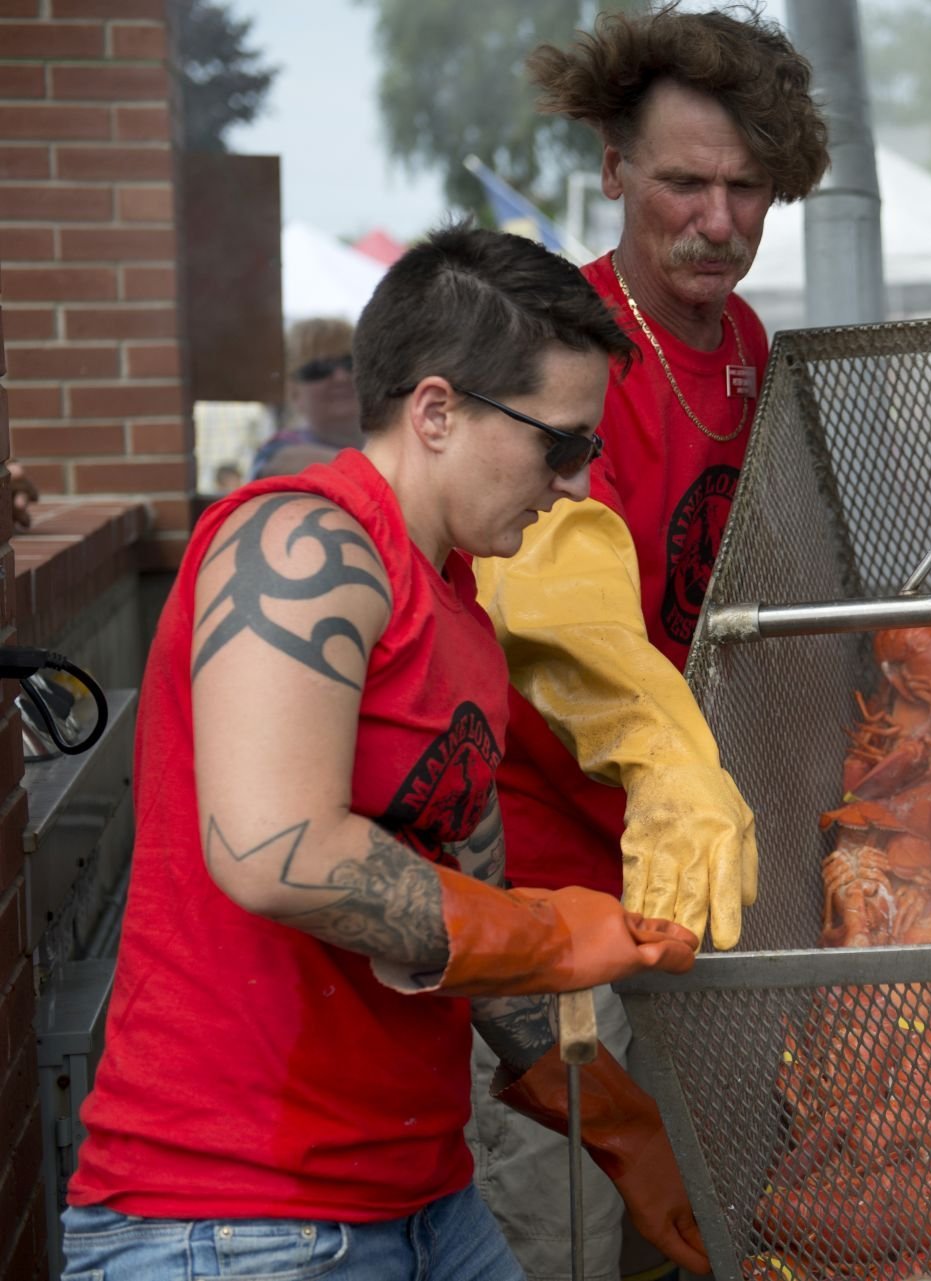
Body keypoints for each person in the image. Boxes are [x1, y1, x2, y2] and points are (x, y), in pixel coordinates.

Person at [60, 226, 709, 1279]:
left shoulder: (460, 616)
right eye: (561, 444)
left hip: (419, 1202)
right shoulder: (298, 545)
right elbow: (275, 851)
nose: (579, 487)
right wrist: (549, 932)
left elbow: (472, 914)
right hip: (232, 1220)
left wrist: (621, 1129)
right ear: (439, 410)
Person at [462, 12, 831, 1277]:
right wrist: (675, 772)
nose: (717, 221)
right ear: (614, 167)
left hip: (693, 896)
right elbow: (561, 609)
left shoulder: (747, 350)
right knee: (556, 1233)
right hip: (545, 901)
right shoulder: (558, 348)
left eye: (747, 189)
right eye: (684, 181)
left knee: (690, 1229)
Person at [252, 317, 364, 478]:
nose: (341, 377)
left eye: (350, 363)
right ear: (293, 391)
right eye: (318, 369)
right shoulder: (278, 452)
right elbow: (278, 464)